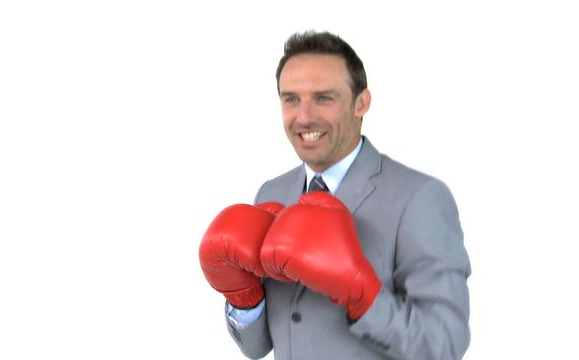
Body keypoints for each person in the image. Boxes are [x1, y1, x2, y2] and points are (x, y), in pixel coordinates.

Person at [199, 30, 471, 360]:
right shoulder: (273, 192)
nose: (304, 116)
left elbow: (444, 345)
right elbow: (258, 347)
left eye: (323, 98)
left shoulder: (420, 198)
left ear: (361, 103)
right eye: (291, 99)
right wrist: (245, 300)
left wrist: (363, 295)